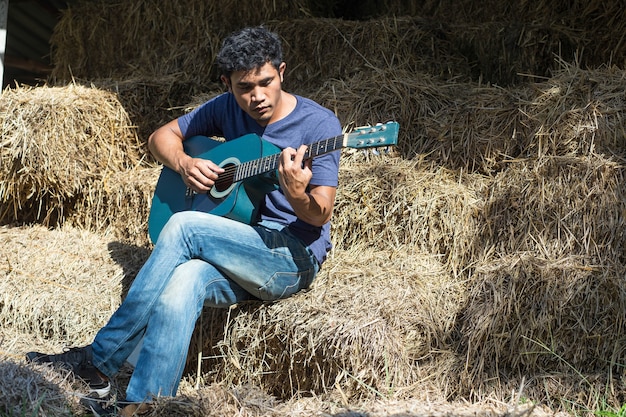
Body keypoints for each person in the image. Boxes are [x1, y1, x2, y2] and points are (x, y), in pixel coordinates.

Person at [26, 26, 342, 416]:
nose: (257, 96)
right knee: (183, 280)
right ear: (228, 84)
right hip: (239, 242)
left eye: (266, 82)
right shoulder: (226, 107)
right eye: (245, 88)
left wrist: (296, 194)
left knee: (184, 225)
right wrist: (185, 162)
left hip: (288, 257)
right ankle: (143, 406)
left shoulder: (319, 125)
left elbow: (321, 211)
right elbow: (162, 136)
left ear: (282, 72)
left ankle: (98, 361)